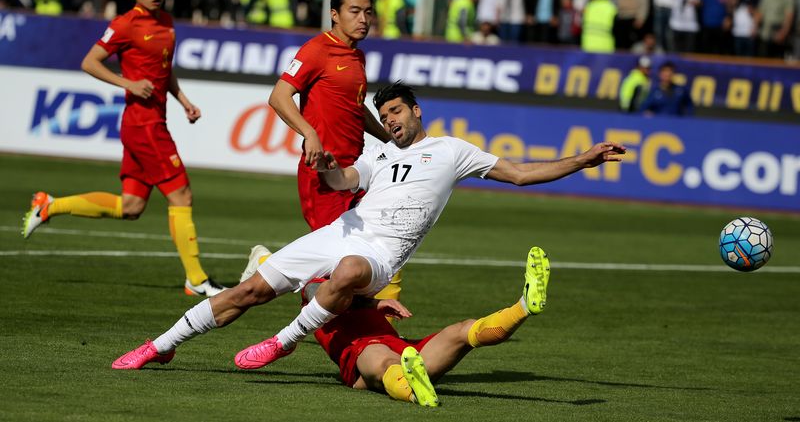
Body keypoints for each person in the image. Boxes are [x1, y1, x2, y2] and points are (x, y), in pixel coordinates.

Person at [110, 81, 626, 371]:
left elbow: (520, 173)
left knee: (351, 271)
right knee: (249, 290)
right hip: (340, 232)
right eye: (385, 114)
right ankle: (159, 346)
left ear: (417, 111)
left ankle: (283, 341)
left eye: (397, 110)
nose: (391, 119)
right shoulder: (378, 153)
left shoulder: (452, 151)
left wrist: (582, 159)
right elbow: (343, 181)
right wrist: (324, 167)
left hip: (380, 254)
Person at [21, 0, 225, 298]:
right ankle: (197, 279)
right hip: (143, 126)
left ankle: (49, 206)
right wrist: (128, 83)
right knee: (181, 195)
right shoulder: (126, 24)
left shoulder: (166, 22)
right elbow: (90, 62)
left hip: (151, 121)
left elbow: (163, 70)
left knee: (130, 207)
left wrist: (183, 100)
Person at [267, 0, 398, 299]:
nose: (363, 19)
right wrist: (310, 133)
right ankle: (268, 270)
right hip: (324, 174)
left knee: (381, 248)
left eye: (368, 12)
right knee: (336, 267)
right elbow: (279, 96)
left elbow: (355, 108)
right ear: (335, 15)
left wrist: (389, 139)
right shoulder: (316, 50)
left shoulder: (357, 56)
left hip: (355, 172)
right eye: (354, 11)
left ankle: (379, 323)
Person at [292, 246, 550, 406]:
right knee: (386, 360)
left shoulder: (363, 282)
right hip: (360, 355)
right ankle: (413, 391)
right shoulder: (314, 285)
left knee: (462, 330)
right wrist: (374, 304)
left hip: (406, 352)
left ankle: (523, 306)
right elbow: (319, 294)